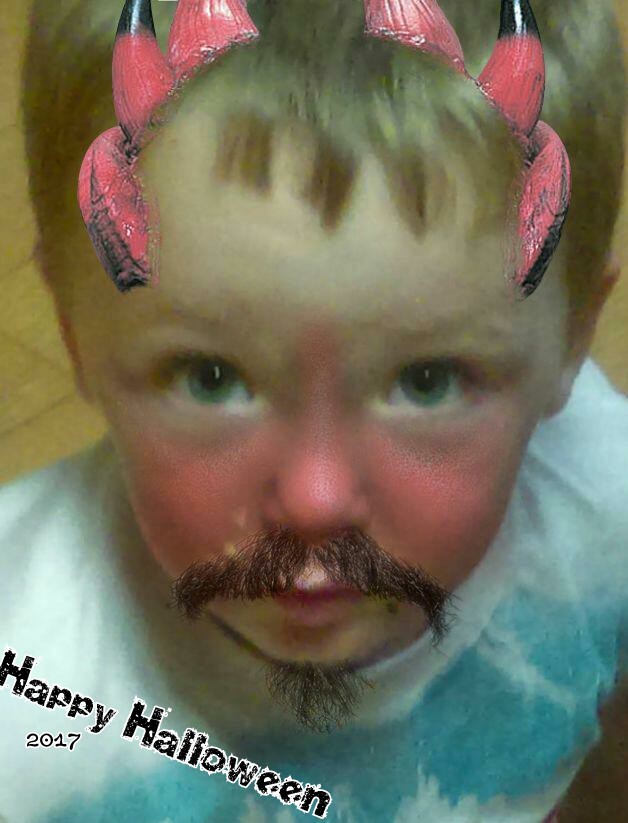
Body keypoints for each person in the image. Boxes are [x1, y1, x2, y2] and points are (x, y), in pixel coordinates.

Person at [2, 0, 625, 819]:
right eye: (210, 376)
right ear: (74, 334)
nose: (316, 498)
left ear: (573, 337)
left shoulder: (607, 513)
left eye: (429, 379)